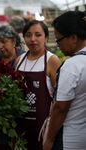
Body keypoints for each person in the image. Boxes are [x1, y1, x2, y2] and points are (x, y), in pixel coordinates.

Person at [43, 11, 86, 150]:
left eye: (59, 40)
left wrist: (49, 140)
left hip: (69, 139)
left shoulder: (72, 65)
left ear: (73, 37)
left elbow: (61, 108)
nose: (57, 45)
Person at [16, 20, 61, 150]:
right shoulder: (19, 60)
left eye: (38, 35)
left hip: (43, 127)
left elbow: (60, 98)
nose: (33, 39)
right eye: (28, 35)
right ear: (23, 38)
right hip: (21, 124)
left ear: (46, 37)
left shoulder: (52, 61)